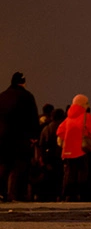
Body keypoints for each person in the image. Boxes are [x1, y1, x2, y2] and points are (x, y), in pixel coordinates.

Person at [0, 72, 38, 201]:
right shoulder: (27, 96)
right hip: (20, 138)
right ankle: (15, 194)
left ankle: (1, 192)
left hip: (2, 138)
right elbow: (32, 118)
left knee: (4, 166)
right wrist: (34, 136)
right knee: (19, 167)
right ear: (23, 82)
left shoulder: (2, 96)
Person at [56, 95, 91, 201]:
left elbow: (59, 131)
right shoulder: (86, 116)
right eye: (86, 103)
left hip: (68, 150)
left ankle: (68, 195)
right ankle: (82, 194)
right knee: (82, 172)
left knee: (69, 173)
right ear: (82, 104)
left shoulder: (68, 118)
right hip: (81, 150)